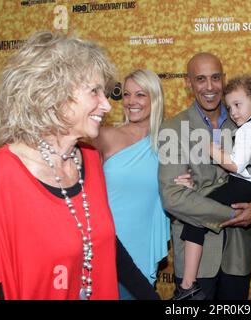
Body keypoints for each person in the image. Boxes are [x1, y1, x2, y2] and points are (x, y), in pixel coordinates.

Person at [0, 31, 119, 299]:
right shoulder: (1, 175)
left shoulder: (90, 161)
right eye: (94, 91)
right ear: (52, 95)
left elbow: (100, 243)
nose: (106, 105)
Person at [158, 52, 251, 300]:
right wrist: (237, 214)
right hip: (196, 262)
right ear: (188, 83)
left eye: (215, 78)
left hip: (237, 256)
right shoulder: (173, 129)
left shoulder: (244, 121)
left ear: (224, 79)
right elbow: (173, 198)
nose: (210, 87)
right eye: (201, 79)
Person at [177, 74, 251, 300]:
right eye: (230, 107)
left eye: (238, 105)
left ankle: (187, 285)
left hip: (243, 185)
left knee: (195, 216)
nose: (234, 112)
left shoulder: (250, 127)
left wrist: (209, 147)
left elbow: (235, 165)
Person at [92, 69, 170, 299]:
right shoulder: (103, 136)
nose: (131, 102)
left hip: (142, 244)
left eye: (140, 95)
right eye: (126, 95)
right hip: (107, 243)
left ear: (155, 98)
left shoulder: (169, 141)